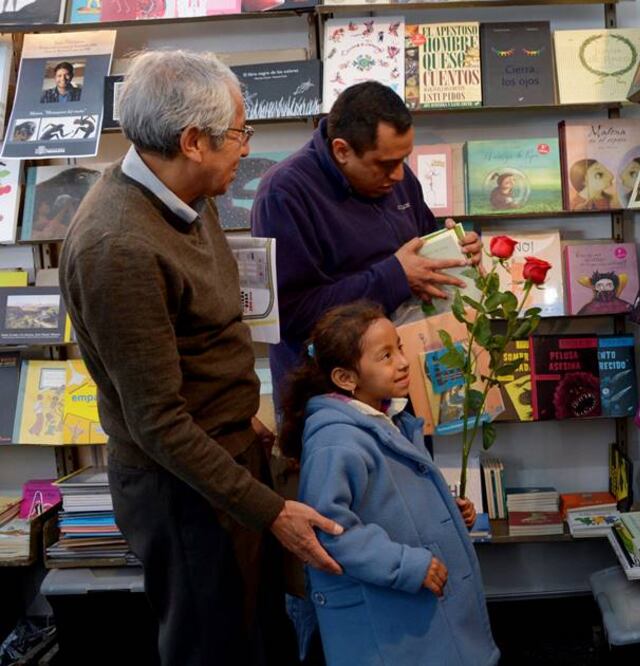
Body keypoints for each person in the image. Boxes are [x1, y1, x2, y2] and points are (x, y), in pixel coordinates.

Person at [59, 50, 344, 666]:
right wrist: (271, 511)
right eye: (239, 134)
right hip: (182, 488)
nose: (247, 148)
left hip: (224, 456)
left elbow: (207, 335)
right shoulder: (118, 247)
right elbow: (157, 423)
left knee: (257, 637)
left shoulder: (189, 193)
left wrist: (242, 419)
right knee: (213, 648)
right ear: (192, 141)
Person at [280, 301, 499, 666]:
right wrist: (406, 565)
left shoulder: (388, 418)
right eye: (385, 356)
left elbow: (394, 498)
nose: (402, 361)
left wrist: (449, 510)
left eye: (399, 347)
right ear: (345, 378)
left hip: (413, 609)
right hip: (390, 617)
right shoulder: (337, 441)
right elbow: (329, 531)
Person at [251, 81, 482, 403]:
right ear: (342, 150)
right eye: (385, 164)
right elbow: (291, 315)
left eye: (404, 160)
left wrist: (455, 251)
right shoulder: (284, 193)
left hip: (403, 384)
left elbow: (422, 250)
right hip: (332, 402)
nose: (399, 175)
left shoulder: (398, 179)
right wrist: (395, 276)